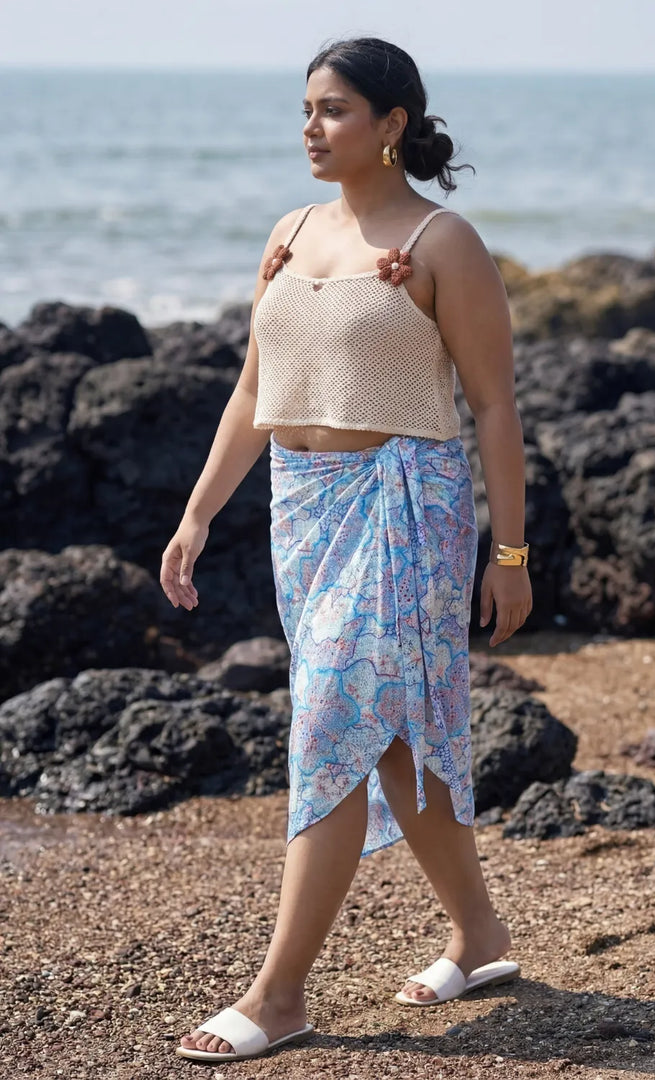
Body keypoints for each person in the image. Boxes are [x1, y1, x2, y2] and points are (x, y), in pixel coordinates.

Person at [160, 35, 532, 1065]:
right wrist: (196, 516)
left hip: (406, 505)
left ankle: (279, 994)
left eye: (333, 110)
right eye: (307, 109)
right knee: (395, 727)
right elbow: (253, 390)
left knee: (331, 721)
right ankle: (482, 936)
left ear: (391, 125)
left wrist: (510, 555)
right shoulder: (288, 232)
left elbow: (495, 407)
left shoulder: (444, 242)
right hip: (305, 508)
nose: (311, 128)